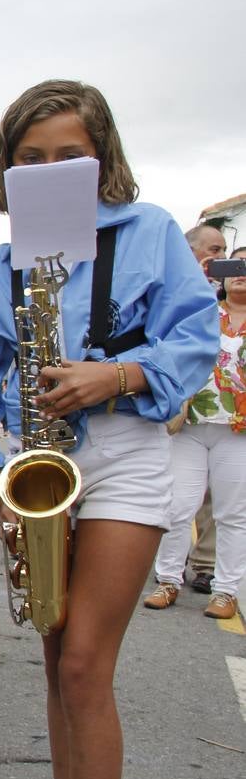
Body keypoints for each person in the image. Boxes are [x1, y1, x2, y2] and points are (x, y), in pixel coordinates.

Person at [0, 79, 218, 779]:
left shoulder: (153, 231)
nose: (51, 170)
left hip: (125, 452)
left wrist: (120, 374)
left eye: (70, 155)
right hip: (34, 463)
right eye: (31, 159)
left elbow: (196, 339)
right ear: (7, 170)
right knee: (62, 662)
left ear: (102, 161)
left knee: (86, 666)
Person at [143, 244, 246, 621]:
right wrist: (199, 274)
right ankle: (167, 580)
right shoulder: (203, 311)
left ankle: (226, 591)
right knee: (177, 507)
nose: (241, 271)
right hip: (190, 424)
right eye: (236, 263)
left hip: (238, 431)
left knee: (233, 514)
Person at [182, 224, 229, 592]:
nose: (220, 259)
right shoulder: (179, 286)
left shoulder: (228, 296)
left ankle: (204, 566)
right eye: (214, 250)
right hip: (183, 411)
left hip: (228, 416)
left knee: (219, 500)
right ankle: (167, 568)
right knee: (179, 495)